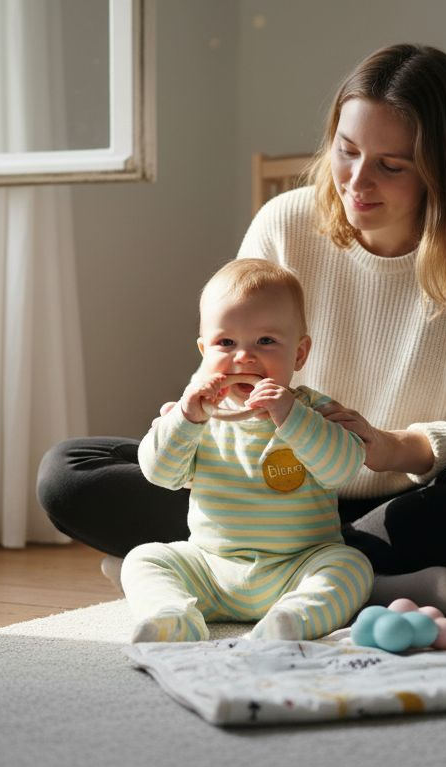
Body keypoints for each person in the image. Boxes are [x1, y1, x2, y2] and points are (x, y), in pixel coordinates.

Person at [38, 43, 446, 621]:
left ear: (440, 169)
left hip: (397, 506)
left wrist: (391, 447)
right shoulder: (285, 222)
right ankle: (362, 580)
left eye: (392, 164)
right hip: (255, 498)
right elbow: (228, 348)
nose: (357, 182)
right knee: (68, 473)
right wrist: (197, 409)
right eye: (347, 151)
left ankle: (218, 571)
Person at [124, 259, 371, 642]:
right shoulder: (198, 414)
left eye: (266, 342)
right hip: (211, 568)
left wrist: (290, 416)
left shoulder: (314, 411)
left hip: (297, 566)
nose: (244, 357)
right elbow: (160, 473)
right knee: (144, 559)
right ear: (204, 350)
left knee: (350, 566)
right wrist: (186, 420)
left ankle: (291, 620)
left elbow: (342, 469)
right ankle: (171, 617)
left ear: (299, 354)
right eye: (226, 343)